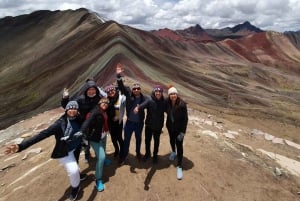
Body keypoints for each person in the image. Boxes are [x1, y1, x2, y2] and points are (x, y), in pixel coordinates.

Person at [4, 101, 84, 201]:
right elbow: (42, 135)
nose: (72, 111)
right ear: (66, 110)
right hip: (65, 151)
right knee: (73, 170)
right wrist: (21, 146)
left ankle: (79, 176)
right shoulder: (59, 124)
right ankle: (76, 188)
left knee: (76, 163)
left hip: (76, 147)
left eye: (75, 109)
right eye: (70, 108)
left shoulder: (78, 118)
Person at [61, 79, 106, 165]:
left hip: (94, 124)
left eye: (93, 89)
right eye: (90, 89)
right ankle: (87, 155)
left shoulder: (98, 98)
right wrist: (65, 98)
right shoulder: (80, 99)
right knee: (85, 142)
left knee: (95, 140)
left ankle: (98, 156)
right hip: (83, 124)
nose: (92, 91)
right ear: (86, 90)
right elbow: (67, 106)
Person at [116, 63, 148, 164]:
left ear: (140, 90)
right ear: (132, 90)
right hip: (129, 122)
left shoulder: (144, 98)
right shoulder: (129, 95)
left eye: (138, 88)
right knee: (127, 140)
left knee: (138, 139)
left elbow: (151, 102)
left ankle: (138, 153)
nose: (136, 90)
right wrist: (118, 76)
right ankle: (124, 155)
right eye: (134, 89)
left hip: (139, 123)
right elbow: (121, 87)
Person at [79, 97, 110, 192]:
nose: (105, 104)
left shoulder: (104, 111)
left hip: (103, 135)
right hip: (95, 139)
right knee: (101, 157)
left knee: (103, 152)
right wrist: (81, 131)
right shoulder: (95, 112)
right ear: (99, 103)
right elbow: (87, 122)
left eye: (107, 103)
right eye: (103, 103)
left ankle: (103, 161)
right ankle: (98, 179)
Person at [135, 85, 166, 164]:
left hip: (158, 126)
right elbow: (143, 105)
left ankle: (155, 155)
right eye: (156, 91)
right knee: (147, 141)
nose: (158, 93)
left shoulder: (164, 102)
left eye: (159, 92)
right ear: (154, 92)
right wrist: (138, 108)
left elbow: (169, 110)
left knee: (156, 141)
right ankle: (147, 154)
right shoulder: (150, 100)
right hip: (149, 125)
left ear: (162, 93)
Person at [165, 86, 188, 180]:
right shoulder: (167, 102)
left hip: (179, 129)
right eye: (171, 94)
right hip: (170, 128)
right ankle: (173, 152)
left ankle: (179, 166)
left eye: (174, 94)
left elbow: (185, 119)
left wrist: (182, 132)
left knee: (179, 145)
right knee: (171, 140)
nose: (173, 95)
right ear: (169, 95)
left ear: (177, 94)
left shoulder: (182, 104)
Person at [104, 84, 126, 159]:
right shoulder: (106, 100)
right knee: (113, 138)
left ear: (115, 90)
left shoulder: (121, 98)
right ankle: (117, 149)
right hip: (110, 122)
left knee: (119, 137)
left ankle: (122, 152)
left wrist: (119, 117)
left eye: (112, 90)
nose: (111, 92)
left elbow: (124, 108)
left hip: (118, 122)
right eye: (109, 91)